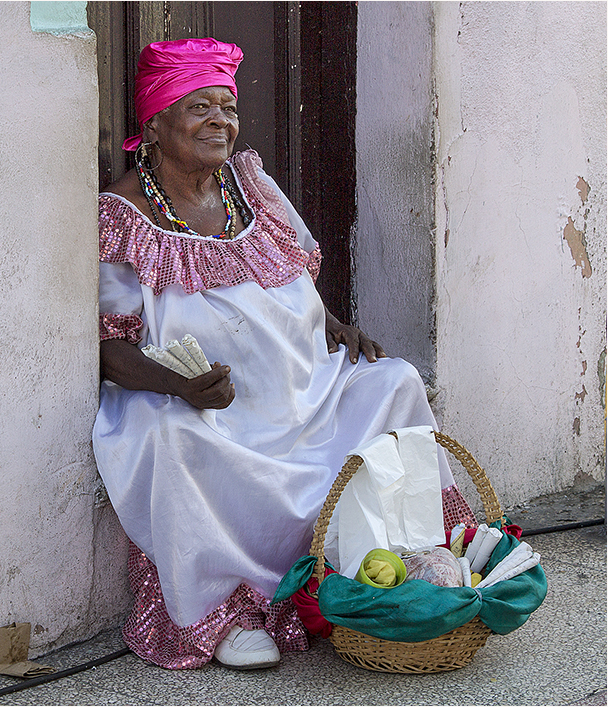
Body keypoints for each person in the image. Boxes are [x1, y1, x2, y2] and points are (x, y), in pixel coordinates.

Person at [93, 38, 477, 670]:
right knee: (169, 437)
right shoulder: (123, 216)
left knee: (396, 383)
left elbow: (285, 272)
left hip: (304, 386)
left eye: (228, 106)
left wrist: (331, 323)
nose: (221, 120)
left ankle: (402, 561)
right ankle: (228, 612)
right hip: (208, 405)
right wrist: (179, 385)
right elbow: (110, 347)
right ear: (156, 123)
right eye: (200, 107)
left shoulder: (250, 184)